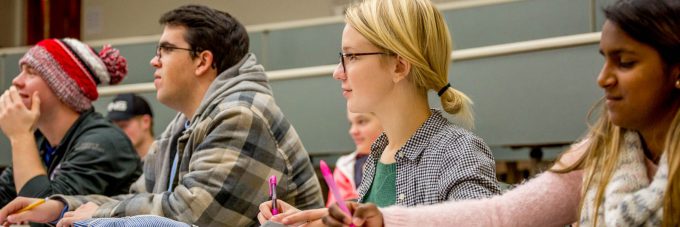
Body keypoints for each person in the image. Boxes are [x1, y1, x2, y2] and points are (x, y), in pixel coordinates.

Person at [323, 0, 680, 226]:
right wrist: (373, 219)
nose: (602, 79)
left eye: (626, 63)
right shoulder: (604, 151)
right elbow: (503, 215)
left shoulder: (454, 151)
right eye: (604, 60)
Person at [0, 4, 323, 227]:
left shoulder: (241, 115)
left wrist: (94, 211)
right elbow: (138, 197)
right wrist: (61, 205)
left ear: (202, 61)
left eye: (166, 50)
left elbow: (191, 215)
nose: (154, 62)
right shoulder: (183, 124)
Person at [258, 0, 500, 225]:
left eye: (351, 56)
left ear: (399, 66)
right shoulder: (379, 155)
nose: (338, 72)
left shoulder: (457, 152)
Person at [0, 38, 142, 208]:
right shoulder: (40, 141)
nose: (16, 80)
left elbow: (44, 217)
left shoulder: (104, 141)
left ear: (64, 88)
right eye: (21, 70)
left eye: (31, 72)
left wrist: (20, 136)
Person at [326, 110, 383, 207]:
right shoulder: (344, 166)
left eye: (361, 121)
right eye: (351, 123)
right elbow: (333, 212)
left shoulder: (402, 163)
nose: (352, 131)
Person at [107, 93, 155, 160]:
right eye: (113, 128)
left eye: (122, 126)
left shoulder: (168, 160)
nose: (117, 133)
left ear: (145, 122)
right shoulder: (115, 164)